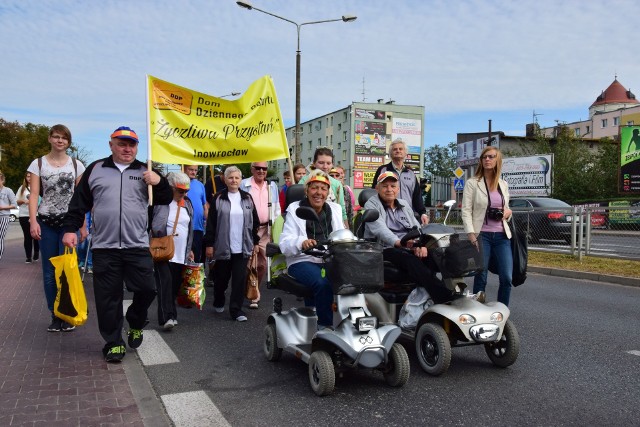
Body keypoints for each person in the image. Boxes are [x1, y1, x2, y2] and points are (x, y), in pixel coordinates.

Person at [62, 126, 173, 363]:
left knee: (147, 288)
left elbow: (165, 198)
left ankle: (135, 320)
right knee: (108, 298)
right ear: (111, 145)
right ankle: (113, 343)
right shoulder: (96, 169)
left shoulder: (146, 170)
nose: (127, 148)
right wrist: (71, 228)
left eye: (132, 144)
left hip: (137, 245)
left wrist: (160, 181)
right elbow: (79, 201)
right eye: (122, 143)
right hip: (105, 246)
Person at [28, 124, 87, 333]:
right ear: (50, 139)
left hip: (68, 223)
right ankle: (54, 315)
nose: (60, 141)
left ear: (68, 142)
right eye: (56, 137)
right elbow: (34, 194)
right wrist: (33, 221)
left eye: (64, 138)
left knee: (68, 269)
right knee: (49, 272)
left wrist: (83, 225)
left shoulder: (75, 164)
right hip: (46, 221)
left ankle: (68, 313)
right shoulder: (38, 164)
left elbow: (81, 197)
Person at [364, 171, 454, 304]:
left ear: (398, 189)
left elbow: (416, 227)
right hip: (385, 248)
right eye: (385, 186)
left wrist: (421, 244)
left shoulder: (404, 204)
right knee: (410, 260)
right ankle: (445, 298)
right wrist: (399, 242)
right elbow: (380, 230)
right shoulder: (371, 204)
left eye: (393, 186)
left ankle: (447, 291)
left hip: (408, 245)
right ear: (377, 188)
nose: (389, 189)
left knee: (439, 256)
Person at [280, 170, 344, 330]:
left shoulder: (334, 209)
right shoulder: (295, 209)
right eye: (314, 187)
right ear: (306, 190)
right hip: (302, 260)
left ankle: (347, 324)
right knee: (323, 284)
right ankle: (325, 327)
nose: (319, 193)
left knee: (353, 280)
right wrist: (302, 242)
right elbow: (285, 243)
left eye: (323, 189)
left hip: (328, 260)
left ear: (328, 192)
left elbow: (342, 235)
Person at [205, 166, 259, 322]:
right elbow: (211, 223)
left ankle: (236, 310)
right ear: (225, 179)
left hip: (242, 247)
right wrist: (209, 244)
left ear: (241, 179)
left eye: (237, 178)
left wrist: (255, 241)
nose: (234, 180)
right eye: (231, 178)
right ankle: (219, 299)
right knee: (221, 279)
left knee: (239, 280)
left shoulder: (247, 198)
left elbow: (254, 222)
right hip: (223, 246)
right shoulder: (219, 198)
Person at [461, 146, 514, 306]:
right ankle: (477, 309)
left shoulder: (503, 184)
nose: (487, 159)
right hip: (482, 234)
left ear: (498, 160)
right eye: (484, 157)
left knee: (507, 277)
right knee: (481, 275)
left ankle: (503, 310)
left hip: (502, 236)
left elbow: (507, 208)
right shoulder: (473, 183)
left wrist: (508, 212)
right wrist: (471, 234)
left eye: (491, 157)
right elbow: (466, 210)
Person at [151, 172, 194, 330]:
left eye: (186, 191)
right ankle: (166, 317)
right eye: (180, 190)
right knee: (165, 284)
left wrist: (189, 249)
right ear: (170, 188)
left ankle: (172, 314)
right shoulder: (161, 201)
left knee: (174, 286)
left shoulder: (187, 203)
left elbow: (189, 227)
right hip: (163, 250)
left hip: (181, 252)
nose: (184, 194)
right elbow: (155, 226)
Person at [239, 161, 280, 309]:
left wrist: (276, 228)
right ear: (252, 169)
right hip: (248, 229)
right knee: (249, 264)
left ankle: (252, 288)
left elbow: (276, 208)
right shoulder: (244, 184)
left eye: (264, 168)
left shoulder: (272, 186)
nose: (261, 171)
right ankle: (252, 293)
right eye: (258, 168)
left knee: (262, 264)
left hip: (265, 230)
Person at [371, 138, 429, 224]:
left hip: (407, 216)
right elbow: (374, 192)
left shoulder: (411, 173)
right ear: (390, 154)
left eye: (400, 149)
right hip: (386, 216)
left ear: (405, 153)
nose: (398, 151)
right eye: (395, 149)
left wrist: (422, 213)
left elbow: (417, 196)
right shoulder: (383, 170)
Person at [298, 147, 347, 225]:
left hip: (330, 225)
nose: (325, 166)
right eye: (321, 162)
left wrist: (346, 233)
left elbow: (342, 211)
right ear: (314, 163)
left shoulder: (337, 184)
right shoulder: (304, 181)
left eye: (328, 163)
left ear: (332, 165)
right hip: (306, 224)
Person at [183, 165, 207, 262]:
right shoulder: (179, 183)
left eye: (195, 170)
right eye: (191, 169)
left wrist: (207, 223)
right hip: (184, 227)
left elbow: (205, 206)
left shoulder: (200, 185)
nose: (193, 172)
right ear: (184, 168)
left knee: (196, 257)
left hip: (198, 228)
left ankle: (195, 277)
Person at [16, 172, 39, 263]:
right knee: (27, 236)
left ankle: (36, 253)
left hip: (36, 215)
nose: (29, 178)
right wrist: (23, 201)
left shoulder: (38, 187)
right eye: (28, 176)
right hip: (24, 215)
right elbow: (16, 201)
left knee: (36, 235)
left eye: (31, 176)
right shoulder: (22, 188)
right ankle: (28, 256)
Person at [0, 171, 18, 262]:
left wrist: (3, 207)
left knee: (0, 237)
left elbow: (14, 204)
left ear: (2, 180)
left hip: (4, 216)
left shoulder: (8, 190)